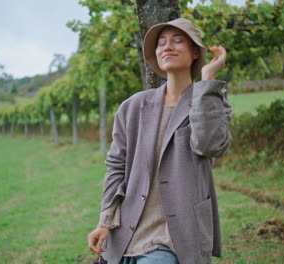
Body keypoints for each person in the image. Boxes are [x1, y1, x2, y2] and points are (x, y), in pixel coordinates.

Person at [87, 18, 232, 264]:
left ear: (195, 52)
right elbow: (116, 168)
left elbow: (210, 146)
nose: (167, 46)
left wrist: (207, 81)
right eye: (161, 42)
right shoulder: (132, 107)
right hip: (127, 231)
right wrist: (105, 221)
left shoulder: (210, 100)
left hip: (174, 235)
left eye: (178, 40)